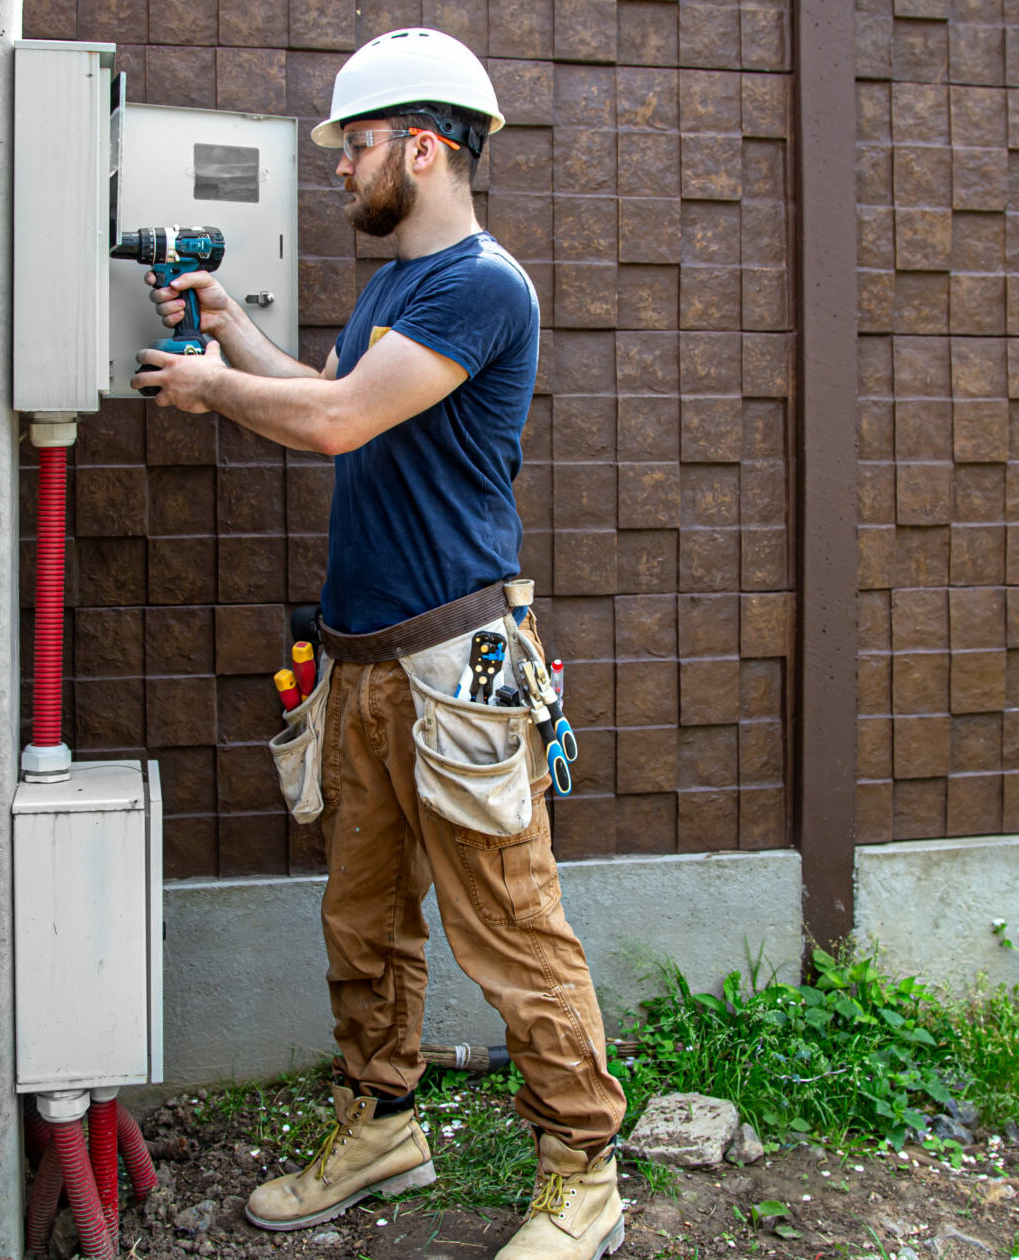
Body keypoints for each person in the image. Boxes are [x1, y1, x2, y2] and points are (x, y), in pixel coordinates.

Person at [132, 28, 627, 1260]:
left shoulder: (479, 283)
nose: (339, 170)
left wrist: (211, 391)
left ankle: (582, 1174)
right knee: (363, 923)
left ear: (422, 144)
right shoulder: (397, 286)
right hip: (361, 661)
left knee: (511, 929)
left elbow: (342, 420)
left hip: (457, 667)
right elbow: (329, 386)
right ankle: (380, 1127)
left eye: (355, 147)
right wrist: (229, 329)